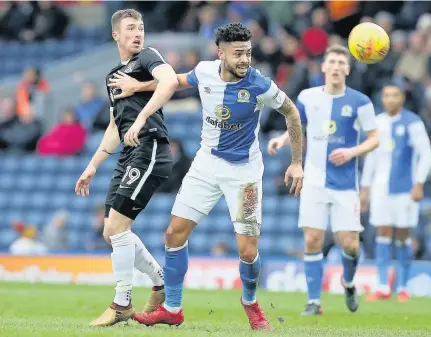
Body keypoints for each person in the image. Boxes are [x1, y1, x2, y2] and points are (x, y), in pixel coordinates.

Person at [109, 22, 304, 330]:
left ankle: (250, 303)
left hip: (244, 173)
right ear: (220, 53)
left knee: (248, 251)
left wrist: (296, 163)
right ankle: (173, 309)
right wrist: (138, 87)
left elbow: (292, 112)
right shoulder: (204, 72)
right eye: (238, 53)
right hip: (206, 165)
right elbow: (174, 82)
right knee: (174, 234)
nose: (245, 60)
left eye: (248, 53)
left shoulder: (259, 85)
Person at [74, 8, 179, 327]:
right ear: (115, 34)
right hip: (128, 154)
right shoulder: (112, 77)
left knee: (117, 228)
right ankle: (159, 282)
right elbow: (113, 127)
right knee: (111, 231)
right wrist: (92, 165)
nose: (138, 33)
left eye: (141, 28)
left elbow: (171, 81)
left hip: (149, 148)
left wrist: (144, 117)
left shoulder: (147, 57)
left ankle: (122, 303)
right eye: (131, 28)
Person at [268, 45, 380, 316]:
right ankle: (314, 301)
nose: (337, 66)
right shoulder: (308, 97)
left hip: (345, 185)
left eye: (342, 62)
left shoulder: (360, 101)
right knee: (313, 240)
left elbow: (375, 138)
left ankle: (349, 282)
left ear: (348, 69)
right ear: (324, 67)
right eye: (332, 61)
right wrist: (282, 140)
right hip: (314, 181)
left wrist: (351, 152)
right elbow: (298, 125)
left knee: (350, 244)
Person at [360, 83, 431, 302]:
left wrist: (419, 183)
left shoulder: (413, 123)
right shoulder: (378, 122)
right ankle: (383, 286)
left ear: (402, 98)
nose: (390, 99)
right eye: (386, 95)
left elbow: (426, 155)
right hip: (381, 188)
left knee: (402, 234)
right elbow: (371, 157)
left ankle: (403, 286)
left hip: (405, 189)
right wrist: (365, 187)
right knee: (382, 232)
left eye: (395, 95)